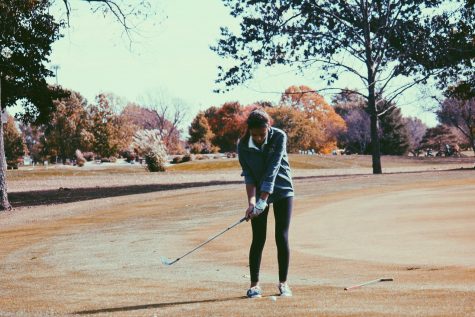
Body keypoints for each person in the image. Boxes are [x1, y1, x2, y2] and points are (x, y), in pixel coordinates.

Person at [237, 108, 294, 298]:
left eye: (262, 134)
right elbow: (249, 176)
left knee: (281, 235)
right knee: (258, 237)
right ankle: (254, 286)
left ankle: (283, 284)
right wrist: (252, 202)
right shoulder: (243, 145)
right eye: (255, 135)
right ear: (249, 131)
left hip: (283, 189)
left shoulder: (279, 137)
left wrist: (263, 199)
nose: (259, 138)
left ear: (269, 127)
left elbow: (273, 168)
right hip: (260, 193)